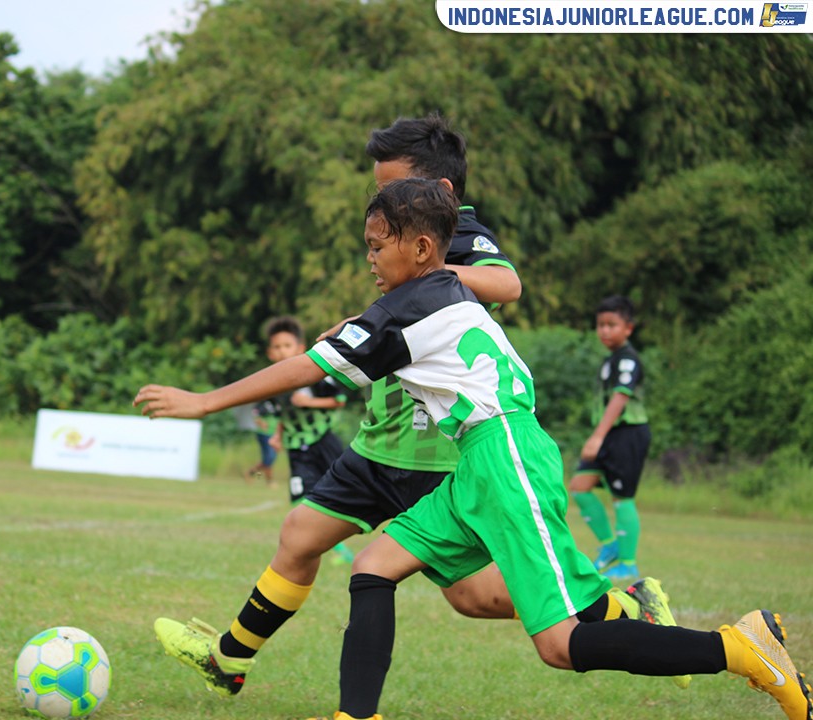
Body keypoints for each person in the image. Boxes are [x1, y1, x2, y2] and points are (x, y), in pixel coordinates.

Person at [143, 116, 687, 699]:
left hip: (433, 454)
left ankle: (625, 608)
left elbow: (507, 284)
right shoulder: (402, 236)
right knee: (300, 534)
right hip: (380, 444)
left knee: (472, 597)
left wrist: (425, 282)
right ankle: (229, 659)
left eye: (390, 187)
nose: (380, 200)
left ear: (439, 195)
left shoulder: (454, 234)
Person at [570, 295, 651, 582]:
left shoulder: (627, 359)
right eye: (600, 325)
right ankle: (611, 546)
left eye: (611, 325)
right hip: (609, 435)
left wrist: (597, 437)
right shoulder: (610, 360)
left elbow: (620, 397)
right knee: (579, 487)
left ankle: (628, 563)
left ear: (628, 328)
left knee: (622, 497)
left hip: (627, 433)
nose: (604, 330)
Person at [261, 316, 354, 564]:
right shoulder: (273, 384)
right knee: (302, 500)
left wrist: (309, 402)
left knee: (340, 494)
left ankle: (340, 542)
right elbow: (283, 415)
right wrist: (277, 436)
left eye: (287, 346)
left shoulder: (314, 376)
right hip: (296, 447)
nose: (282, 352)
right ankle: (336, 550)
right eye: (277, 347)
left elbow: (339, 401)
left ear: (300, 348)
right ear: (270, 353)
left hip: (323, 441)